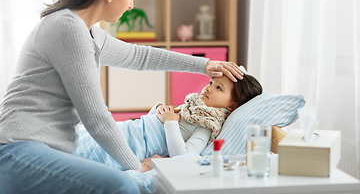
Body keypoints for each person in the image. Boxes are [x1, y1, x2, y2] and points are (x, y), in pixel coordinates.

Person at [0, 0, 243, 193]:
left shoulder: (87, 32)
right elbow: (96, 119)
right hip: (17, 149)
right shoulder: (68, 28)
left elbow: (140, 56)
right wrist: (137, 167)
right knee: (124, 184)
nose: (131, 4)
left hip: (43, 148)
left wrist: (203, 66)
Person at [73, 74, 262, 173]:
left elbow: (183, 155)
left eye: (218, 88)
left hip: (133, 145)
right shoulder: (193, 107)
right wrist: (159, 109)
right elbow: (154, 121)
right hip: (129, 129)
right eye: (212, 82)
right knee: (79, 138)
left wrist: (170, 122)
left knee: (83, 156)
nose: (209, 88)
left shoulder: (206, 125)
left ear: (233, 104)